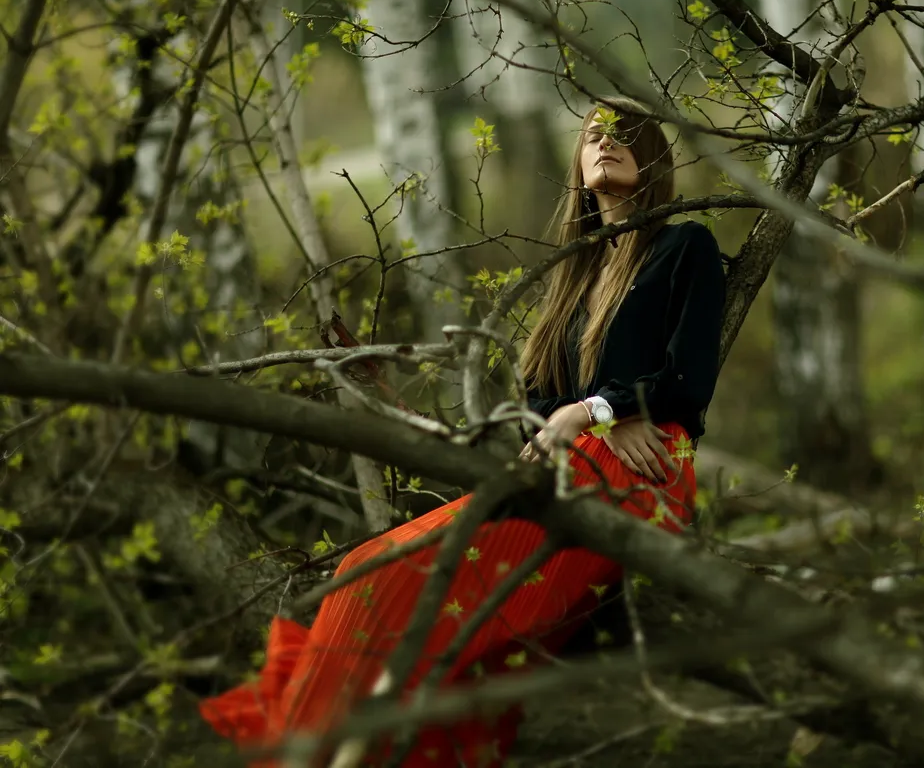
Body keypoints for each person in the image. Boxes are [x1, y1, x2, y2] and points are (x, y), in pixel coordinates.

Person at [197, 97, 727, 767]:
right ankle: (332, 745)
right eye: (593, 133)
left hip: (644, 471)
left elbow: (688, 379)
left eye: (624, 133)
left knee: (391, 588)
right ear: (578, 163)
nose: (605, 141)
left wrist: (596, 412)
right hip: (572, 462)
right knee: (362, 569)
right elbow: (540, 399)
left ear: (653, 156)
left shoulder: (685, 246)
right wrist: (588, 414)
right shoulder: (578, 267)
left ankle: (310, 750)